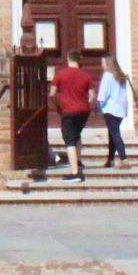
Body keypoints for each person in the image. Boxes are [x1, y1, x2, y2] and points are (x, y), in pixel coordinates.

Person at [49, 48, 96, 182]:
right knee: (76, 135)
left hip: (68, 111)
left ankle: (75, 173)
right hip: (83, 111)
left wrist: (58, 104)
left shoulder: (60, 74)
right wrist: (84, 103)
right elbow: (92, 96)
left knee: (69, 141)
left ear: (68, 59)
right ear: (78, 60)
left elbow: (52, 94)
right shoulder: (86, 75)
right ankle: (79, 161)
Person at [96, 54, 131, 170]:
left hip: (110, 109)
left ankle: (124, 159)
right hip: (120, 109)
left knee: (115, 134)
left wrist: (99, 106)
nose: (102, 65)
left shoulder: (107, 76)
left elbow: (103, 94)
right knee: (112, 133)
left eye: (103, 63)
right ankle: (110, 159)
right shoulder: (120, 76)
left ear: (108, 64)